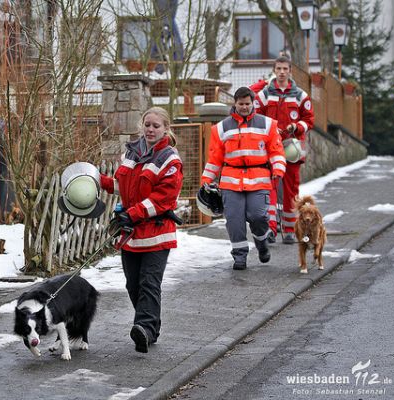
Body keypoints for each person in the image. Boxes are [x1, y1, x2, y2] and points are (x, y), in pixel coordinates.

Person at [99, 106, 183, 353]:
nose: (150, 129)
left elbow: (163, 198)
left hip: (157, 233)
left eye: (156, 126)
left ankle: (143, 328)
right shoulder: (131, 152)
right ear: (142, 125)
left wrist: (132, 213)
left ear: (166, 129)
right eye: (147, 124)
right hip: (132, 234)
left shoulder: (170, 159)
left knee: (149, 283)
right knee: (132, 285)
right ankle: (150, 327)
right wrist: (98, 180)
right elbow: (122, 186)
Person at [200, 87, 286, 270]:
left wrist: (278, 170)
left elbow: (276, 151)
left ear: (253, 102)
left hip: (259, 179)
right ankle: (240, 257)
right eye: (241, 104)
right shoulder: (220, 128)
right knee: (234, 220)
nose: (245, 107)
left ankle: (262, 243)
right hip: (231, 181)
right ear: (235, 104)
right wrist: (206, 180)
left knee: (258, 216)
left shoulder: (268, 125)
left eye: (248, 104)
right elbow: (215, 158)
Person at [250, 55, 315, 244]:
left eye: (285, 69)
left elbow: (309, 119)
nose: (281, 72)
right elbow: (256, 116)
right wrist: (270, 129)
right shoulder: (264, 94)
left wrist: (296, 127)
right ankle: (270, 229)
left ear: (290, 71)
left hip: (292, 148)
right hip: (270, 147)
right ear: (274, 70)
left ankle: (289, 229)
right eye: (278, 69)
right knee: (269, 187)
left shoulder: (300, 95)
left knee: (291, 189)